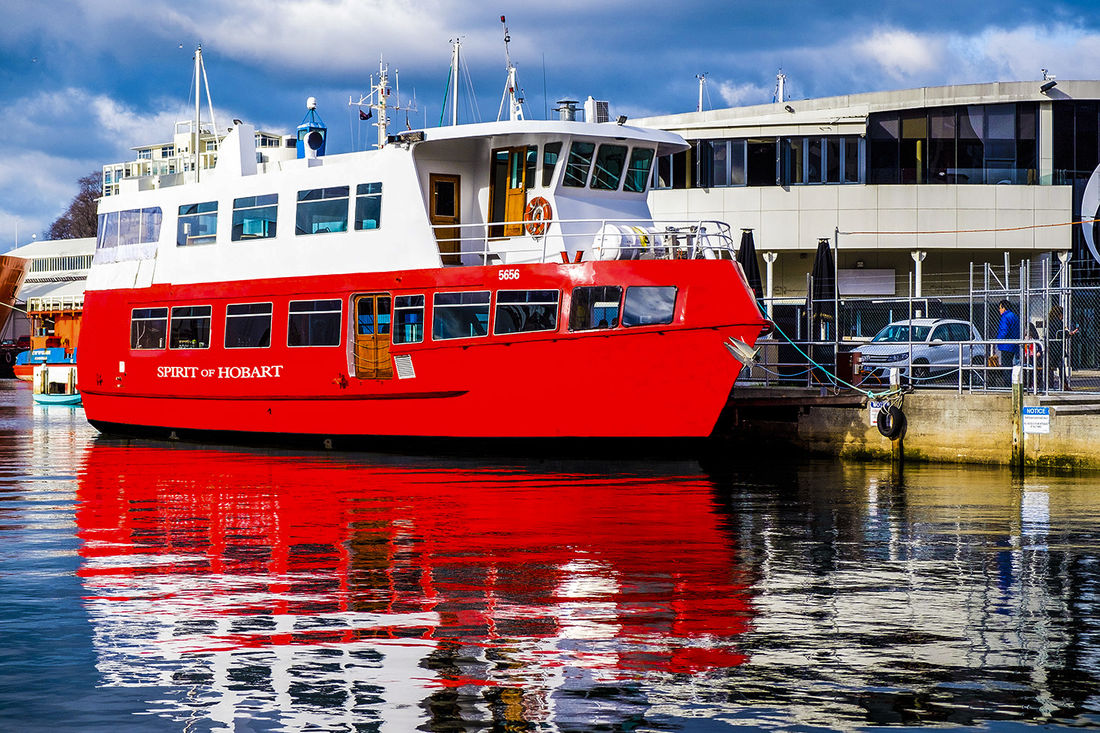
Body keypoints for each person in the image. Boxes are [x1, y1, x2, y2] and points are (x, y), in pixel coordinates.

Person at [1046, 303, 1079, 390]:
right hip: (1057, 348)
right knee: (1061, 367)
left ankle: (1049, 385)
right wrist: (1069, 333)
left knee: (1050, 367)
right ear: (1059, 314)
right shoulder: (1059, 323)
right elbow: (1062, 334)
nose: (1063, 316)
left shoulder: (1049, 323)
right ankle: (1064, 384)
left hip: (1050, 347)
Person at [993, 300, 1020, 386]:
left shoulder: (1005, 317)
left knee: (1006, 366)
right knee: (1011, 365)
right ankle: (1011, 383)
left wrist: (998, 340)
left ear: (1004, 308)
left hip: (1006, 345)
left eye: (1000, 308)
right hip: (1014, 344)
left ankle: (1007, 386)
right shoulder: (1014, 316)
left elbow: (1004, 331)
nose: (999, 310)